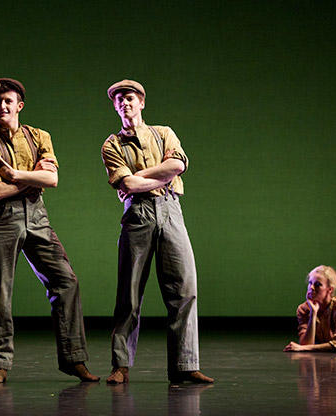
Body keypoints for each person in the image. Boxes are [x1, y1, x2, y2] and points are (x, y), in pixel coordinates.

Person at [0, 78, 98, 383]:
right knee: (1, 290)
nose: (2, 106)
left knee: (66, 281)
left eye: (8, 101)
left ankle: (74, 359)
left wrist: (16, 175)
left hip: (38, 215)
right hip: (4, 218)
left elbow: (53, 180)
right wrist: (35, 178)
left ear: (20, 105)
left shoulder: (40, 136)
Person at [101, 79, 214, 384]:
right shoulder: (112, 145)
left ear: (142, 103)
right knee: (129, 292)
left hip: (171, 211)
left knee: (184, 288)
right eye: (120, 99)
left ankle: (185, 364)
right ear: (115, 106)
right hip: (137, 214)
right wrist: (156, 177)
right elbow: (129, 185)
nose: (125, 102)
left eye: (131, 98)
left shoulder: (164, 133)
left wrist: (143, 177)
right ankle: (121, 365)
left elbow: (177, 164)